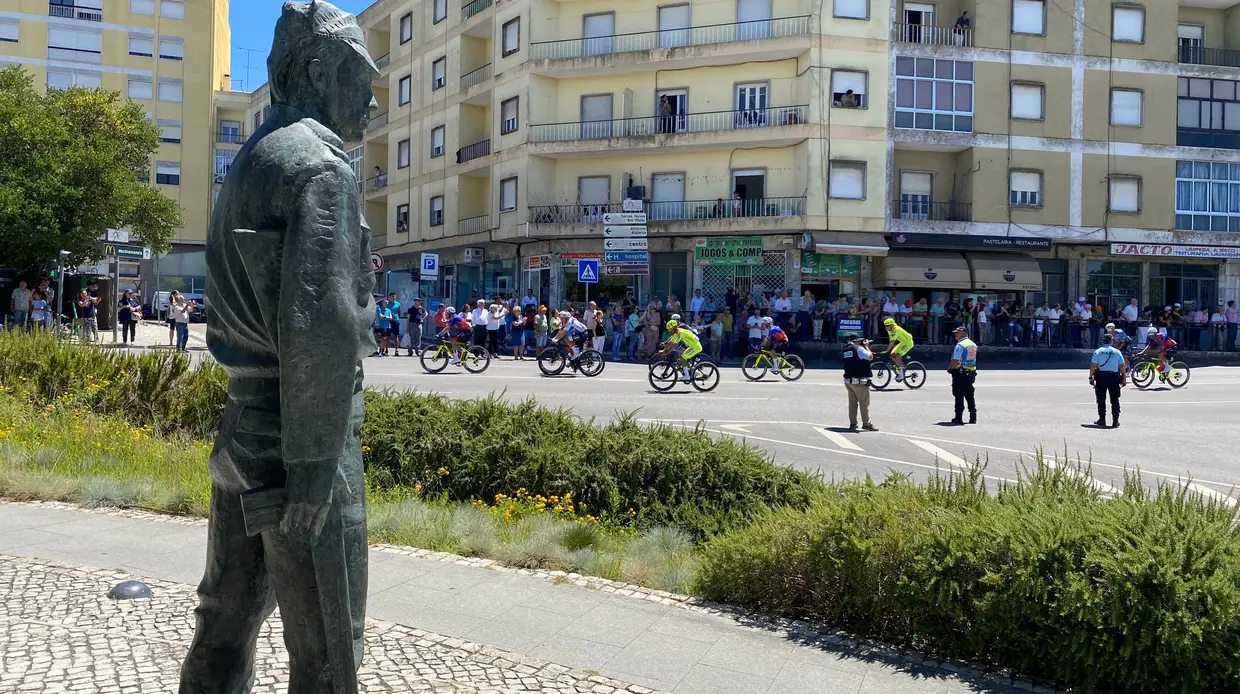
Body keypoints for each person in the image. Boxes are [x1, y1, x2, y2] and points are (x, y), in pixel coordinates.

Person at [1089, 333, 1127, 428]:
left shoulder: (1098, 351)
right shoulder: (1117, 352)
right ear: (1111, 341)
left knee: (1101, 399)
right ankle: (1115, 420)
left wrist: (1090, 377)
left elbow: (1093, 365)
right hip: (1113, 376)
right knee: (1115, 399)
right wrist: (1124, 377)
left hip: (1101, 376)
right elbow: (1121, 366)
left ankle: (1102, 419)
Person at [841, 337, 877, 432]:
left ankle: (853, 423)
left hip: (849, 380)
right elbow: (870, 357)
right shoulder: (858, 348)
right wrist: (866, 346)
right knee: (864, 403)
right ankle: (866, 423)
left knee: (852, 403)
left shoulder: (846, 349)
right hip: (859, 381)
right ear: (857, 341)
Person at [948, 325, 977, 425]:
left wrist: (951, 368)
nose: (955, 335)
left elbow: (955, 360)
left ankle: (958, 417)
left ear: (963, 333)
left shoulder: (960, 345)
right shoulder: (972, 344)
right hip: (971, 372)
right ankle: (973, 417)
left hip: (960, 372)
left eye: (957, 333)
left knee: (959, 395)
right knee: (970, 395)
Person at [882, 317, 914, 381]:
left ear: (892, 325)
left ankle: (901, 374)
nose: (886, 327)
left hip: (908, 343)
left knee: (898, 354)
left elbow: (892, 342)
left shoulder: (897, 330)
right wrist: (888, 351)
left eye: (887, 326)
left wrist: (886, 351)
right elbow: (891, 341)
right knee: (892, 354)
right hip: (903, 342)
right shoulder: (890, 331)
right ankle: (899, 365)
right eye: (885, 326)